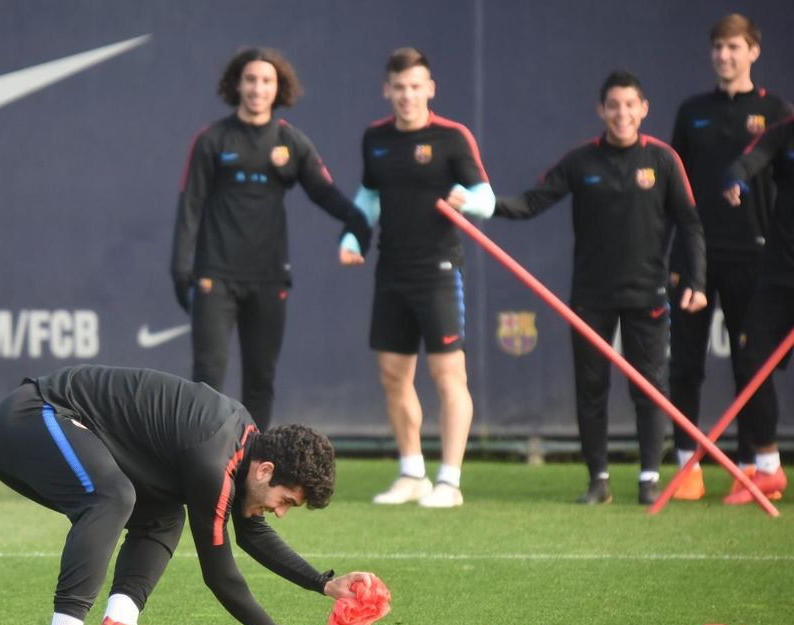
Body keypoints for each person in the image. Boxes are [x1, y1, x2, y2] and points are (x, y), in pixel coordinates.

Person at [0, 365, 375, 625]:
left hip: (50, 423)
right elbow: (219, 573)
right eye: (286, 500)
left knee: (163, 511)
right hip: (31, 418)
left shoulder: (242, 446)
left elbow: (250, 530)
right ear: (265, 470)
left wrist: (324, 584)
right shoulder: (214, 460)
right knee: (112, 497)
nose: (282, 511)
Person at [493, 71, 708, 506]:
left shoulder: (664, 161)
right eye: (614, 105)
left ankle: (649, 478)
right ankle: (599, 480)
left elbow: (690, 223)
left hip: (646, 293)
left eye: (631, 105)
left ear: (644, 109)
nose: (622, 114)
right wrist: (482, 204)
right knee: (591, 387)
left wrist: (697, 279)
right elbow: (532, 202)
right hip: (590, 297)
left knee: (649, 386)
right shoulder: (581, 161)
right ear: (601, 111)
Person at [171, 47, 371, 432]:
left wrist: (359, 224)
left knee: (261, 379)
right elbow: (190, 207)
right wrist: (181, 270)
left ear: (279, 88)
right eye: (250, 79)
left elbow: (325, 193)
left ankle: (248, 467)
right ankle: (200, 465)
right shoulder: (212, 139)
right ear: (236, 84)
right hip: (215, 277)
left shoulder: (291, 142)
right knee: (207, 379)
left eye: (266, 81)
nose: (257, 88)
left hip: (269, 278)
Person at [338, 48, 495, 509]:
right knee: (392, 375)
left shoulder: (451, 137)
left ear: (430, 89)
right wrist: (354, 236)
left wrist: (468, 198)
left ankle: (450, 480)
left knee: (447, 374)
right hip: (392, 270)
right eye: (399, 87)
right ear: (388, 90)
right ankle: (413, 473)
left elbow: (486, 197)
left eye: (416, 87)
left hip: (440, 271)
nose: (407, 96)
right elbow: (368, 197)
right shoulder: (376, 139)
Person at [667, 14, 792, 501]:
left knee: (750, 362)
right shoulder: (691, 111)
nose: (724, 55)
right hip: (695, 254)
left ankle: (749, 467)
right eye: (718, 47)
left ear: (753, 51)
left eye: (734, 47)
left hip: (758, 255)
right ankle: (686, 466)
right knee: (685, 366)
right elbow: (674, 188)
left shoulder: (777, 111)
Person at [721, 114, 794, 505]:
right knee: (751, 360)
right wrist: (736, 179)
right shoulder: (783, 133)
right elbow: (748, 160)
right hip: (779, 277)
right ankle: (767, 467)